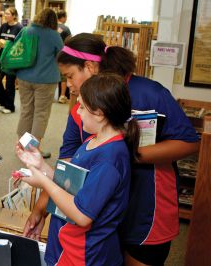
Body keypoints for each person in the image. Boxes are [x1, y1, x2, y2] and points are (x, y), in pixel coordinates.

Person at [23, 33, 200, 266]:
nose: (69, 87)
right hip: (97, 210)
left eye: (70, 77)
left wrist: (124, 155)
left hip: (145, 205)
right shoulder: (83, 107)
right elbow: (69, 161)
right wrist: (42, 205)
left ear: (89, 67)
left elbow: (188, 142)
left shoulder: (150, 93)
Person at [16, 73, 140, 265]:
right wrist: (41, 166)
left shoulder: (110, 159)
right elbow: (72, 184)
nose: (78, 112)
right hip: (67, 243)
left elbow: (82, 215)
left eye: (82, 106)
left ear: (100, 113)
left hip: (85, 254)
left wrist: (44, 182)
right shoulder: (94, 140)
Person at [16, 8, 63, 159]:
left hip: (24, 77)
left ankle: (22, 146)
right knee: (40, 114)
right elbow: (62, 55)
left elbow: (17, 49)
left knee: (26, 111)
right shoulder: (54, 35)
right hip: (46, 79)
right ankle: (33, 150)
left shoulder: (26, 31)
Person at [0, 7, 23, 114]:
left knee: (10, 84)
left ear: (14, 15)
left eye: (8, 14)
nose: (5, 15)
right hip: (1, 58)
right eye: (5, 13)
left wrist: (7, 44)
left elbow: (20, 45)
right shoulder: (3, 26)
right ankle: (3, 103)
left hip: (12, 60)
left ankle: (10, 106)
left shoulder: (19, 27)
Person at [56, 10, 72, 104]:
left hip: (51, 55)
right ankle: (62, 96)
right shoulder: (65, 28)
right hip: (62, 54)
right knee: (63, 76)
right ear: (63, 17)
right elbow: (69, 41)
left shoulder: (51, 27)